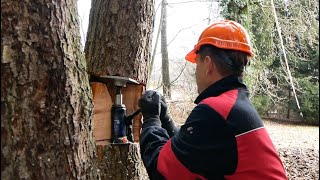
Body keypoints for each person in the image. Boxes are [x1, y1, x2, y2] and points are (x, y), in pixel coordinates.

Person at [138, 20, 287, 180]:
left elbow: (161, 170)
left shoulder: (215, 110)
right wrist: (165, 120)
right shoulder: (233, 105)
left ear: (208, 64)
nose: (196, 73)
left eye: (197, 64)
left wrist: (151, 119)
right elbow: (191, 151)